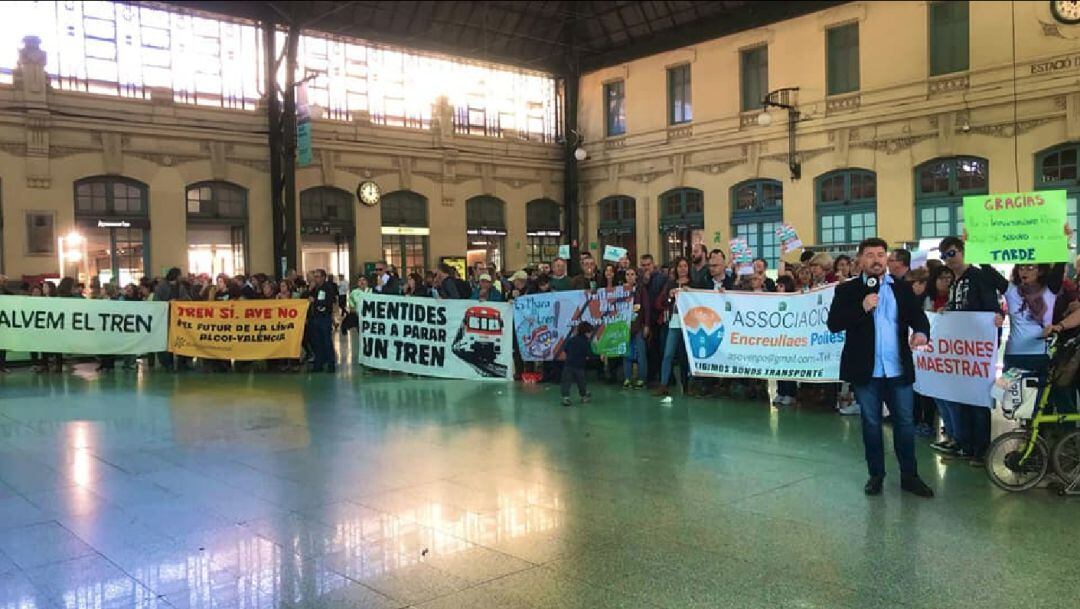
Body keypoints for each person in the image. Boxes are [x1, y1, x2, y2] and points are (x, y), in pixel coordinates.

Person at [827, 237, 934, 498]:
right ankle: (876, 475)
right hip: (867, 371)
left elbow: (918, 317)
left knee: (905, 424)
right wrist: (862, 308)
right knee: (871, 424)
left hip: (897, 369)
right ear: (861, 260)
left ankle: (910, 476)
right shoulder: (847, 291)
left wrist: (921, 332)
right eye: (870, 255)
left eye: (881, 254)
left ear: (887, 259)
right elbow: (834, 323)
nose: (876, 259)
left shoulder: (902, 288)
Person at [937, 236, 1002, 466]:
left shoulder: (978, 276)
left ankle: (981, 450)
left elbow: (991, 308)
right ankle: (966, 445)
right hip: (960, 349)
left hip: (977, 349)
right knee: (962, 398)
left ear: (964, 251)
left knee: (977, 400)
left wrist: (995, 323)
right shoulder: (954, 282)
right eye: (944, 256)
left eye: (952, 253)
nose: (948, 260)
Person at [653, 257, 693, 401]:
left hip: (689, 323)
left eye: (685, 266)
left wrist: (692, 291)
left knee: (685, 356)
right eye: (680, 266)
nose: (683, 269)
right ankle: (664, 384)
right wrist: (669, 296)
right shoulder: (670, 283)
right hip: (675, 322)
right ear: (676, 269)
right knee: (668, 353)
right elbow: (662, 301)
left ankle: (687, 385)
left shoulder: (693, 283)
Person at [622, 267, 651, 389]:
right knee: (626, 353)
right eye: (627, 274)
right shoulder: (620, 290)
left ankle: (641, 378)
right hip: (625, 327)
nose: (629, 276)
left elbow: (646, 308)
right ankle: (627, 378)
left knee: (641, 353)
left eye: (632, 274)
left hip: (638, 326)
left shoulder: (641, 289)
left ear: (636, 276)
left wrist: (647, 325)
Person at [308, 269, 338, 373]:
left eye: (317, 276)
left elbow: (328, 302)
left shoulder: (327, 288)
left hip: (324, 318)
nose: (315, 278)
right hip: (314, 318)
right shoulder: (314, 288)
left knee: (326, 341)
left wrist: (315, 301)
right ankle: (318, 364)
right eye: (314, 276)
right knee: (317, 342)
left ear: (323, 277)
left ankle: (331, 364)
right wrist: (310, 290)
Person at [557, 321, 593, 407]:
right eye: (590, 332)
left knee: (566, 381)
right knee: (582, 382)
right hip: (579, 366)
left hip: (568, 364)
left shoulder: (571, 339)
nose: (591, 334)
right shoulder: (586, 342)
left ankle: (566, 398)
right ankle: (583, 396)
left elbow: (565, 349)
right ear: (586, 332)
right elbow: (589, 354)